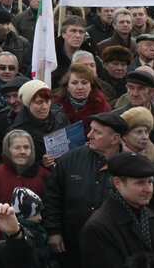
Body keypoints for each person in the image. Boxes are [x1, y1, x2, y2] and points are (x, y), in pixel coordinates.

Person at [43, 111, 128, 266]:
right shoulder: (71, 159)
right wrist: (53, 231)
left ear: (115, 139)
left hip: (113, 249)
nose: (89, 135)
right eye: (91, 129)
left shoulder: (129, 167)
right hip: (72, 247)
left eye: (97, 132)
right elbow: (52, 197)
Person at [79, 152, 154, 268]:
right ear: (118, 183)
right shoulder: (98, 228)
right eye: (140, 183)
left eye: (150, 182)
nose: (148, 189)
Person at [0, 129, 50, 208]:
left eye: (26, 147)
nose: (22, 152)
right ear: (8, 150)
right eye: (17, 148)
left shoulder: (45, 176)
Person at [10, 80, 69, 167]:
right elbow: (18, 166)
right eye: (39, 102)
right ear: (28, 104)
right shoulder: (18, 132)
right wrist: (41, 164)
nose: (44, 107)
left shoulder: (59, 117)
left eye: (47, 101)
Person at [53, 62, 113, 136]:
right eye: (74, 83)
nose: (80, 87)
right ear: (67, 87)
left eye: (84, 83)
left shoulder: (104, 108)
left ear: (91, 86)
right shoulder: (55, 108)